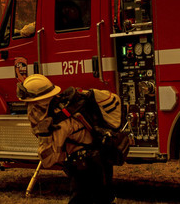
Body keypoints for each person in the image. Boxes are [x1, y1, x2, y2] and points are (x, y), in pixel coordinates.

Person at [18, 74, 114, 204]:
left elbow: (48, 160)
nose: (30, 110)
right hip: (100, 162)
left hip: (85, 170)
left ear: (40, 102)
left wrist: (45, 136)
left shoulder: (60, 122)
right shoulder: (67, 108)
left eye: (30, 105)